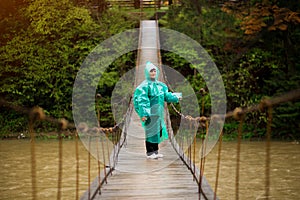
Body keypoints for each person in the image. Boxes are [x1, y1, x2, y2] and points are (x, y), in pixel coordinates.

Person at [133, 61, 180, 159]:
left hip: (159, 113)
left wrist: (176, 97)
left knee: (158, 132)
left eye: (154, 71)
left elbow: (166, 96)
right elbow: (142, 100)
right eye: (151, 71)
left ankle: (156, 151)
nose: (153, 73)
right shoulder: (144, 86)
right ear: (147, 73)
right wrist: (144, 114)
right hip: (150, 114)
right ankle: (150, 153)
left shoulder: (160, 85)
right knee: (150, 133)